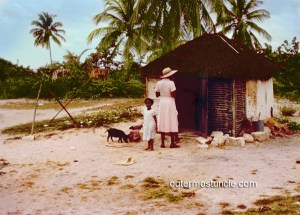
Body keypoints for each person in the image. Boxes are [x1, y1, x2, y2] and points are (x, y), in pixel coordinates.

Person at [155, 67, 180, 148]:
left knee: (162, 120)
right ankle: (172, 143)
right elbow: (173, 95)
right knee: (171, 120)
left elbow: (157, 94)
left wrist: (163, 94)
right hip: (170, 102)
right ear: (170, 75)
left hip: (162, 102)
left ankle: (162, 143)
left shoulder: (159, 83)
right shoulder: (171, 83)